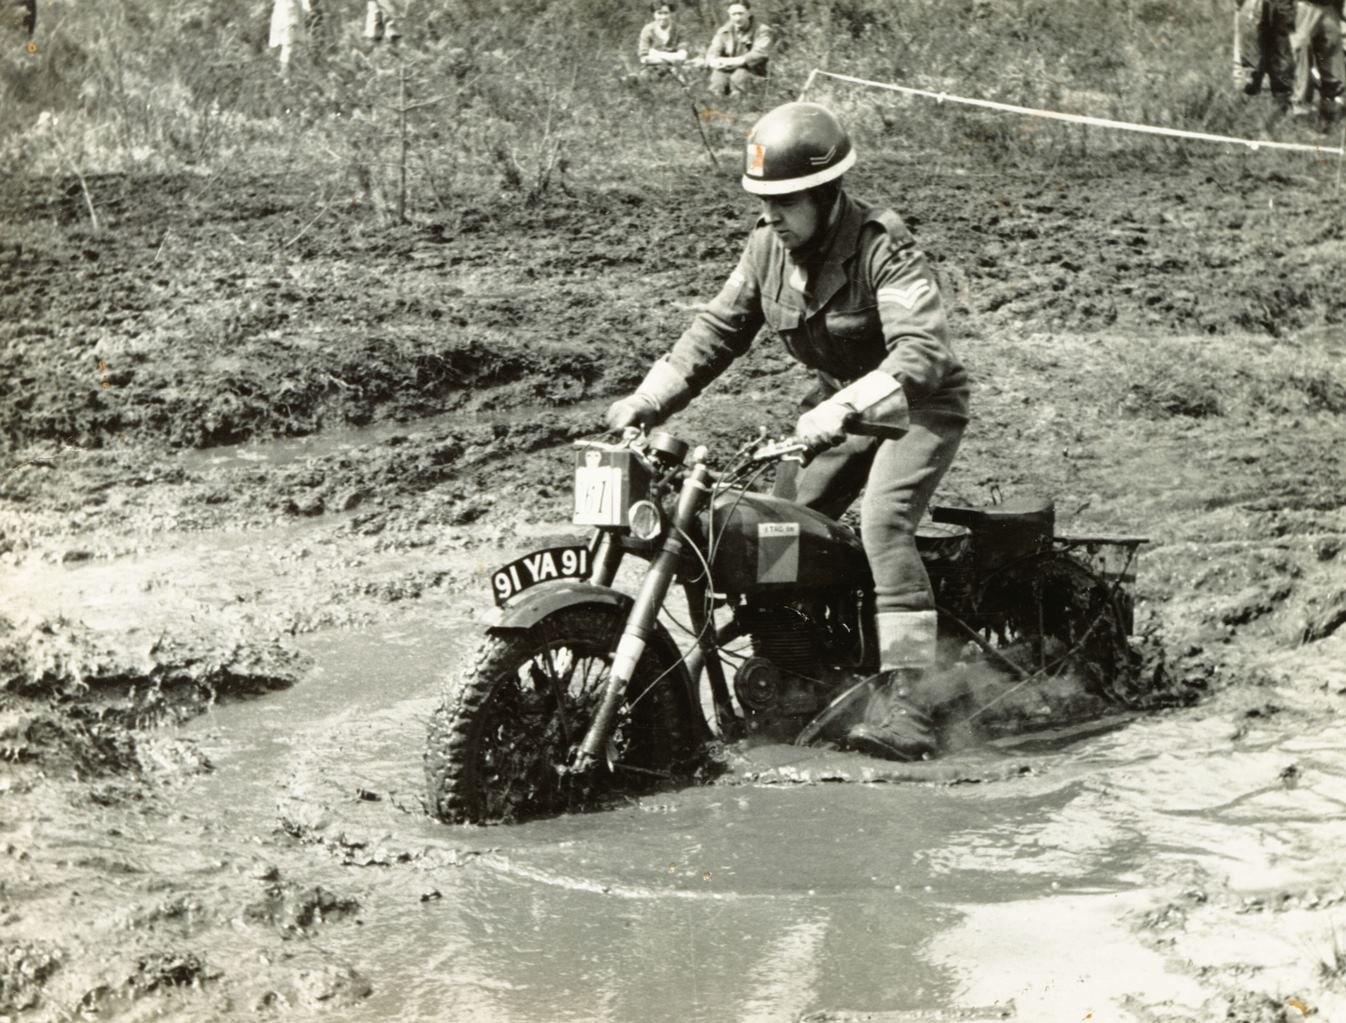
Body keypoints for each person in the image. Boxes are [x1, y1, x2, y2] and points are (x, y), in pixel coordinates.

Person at [606, 103, 970, 762]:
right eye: (762, 201)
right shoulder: (764, 248)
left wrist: (845, 407)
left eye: (784, 201)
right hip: (833, 410)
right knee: (785, 531)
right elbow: (717, 330)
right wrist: (648, 399)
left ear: (826, 195)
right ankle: (802, 677)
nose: (770, 214)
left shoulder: (884, 247)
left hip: (915, 409)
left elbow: (922, 354)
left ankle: (915, 697)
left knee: (883, 525)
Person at [1237, 0, 1297, 111]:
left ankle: (1282, 104)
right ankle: (1248, 102)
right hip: (1254, 5)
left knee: (1282, 53)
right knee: (1253, 54)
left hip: (1282, 6)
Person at [1290, 0, 1344, 120]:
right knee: (1301, 54)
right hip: (1304, 5)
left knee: (1332, 53)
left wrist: (1338, 9)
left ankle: (1331, 104)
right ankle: (1301, 109)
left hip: (1329, 7)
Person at [706, 1, 771, 97]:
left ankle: (742, 106)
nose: (737, 18)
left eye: (741, 13)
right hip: (729, 69)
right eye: (734, 14)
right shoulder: (724, 31)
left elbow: (760, 54)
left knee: (740, 77)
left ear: (748, 13)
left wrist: (733, 61)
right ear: (729, 15)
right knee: (717, 81)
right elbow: (713, 51)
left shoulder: (763, 30)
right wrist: (714, 61)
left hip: (754, 71)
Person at [638, 2, 690, 70]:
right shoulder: (647, 30)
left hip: (676, 68)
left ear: (670, 13)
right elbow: (644, 58)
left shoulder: (680, 30)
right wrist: (673, 57)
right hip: (652, 69)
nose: (663, 17)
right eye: (659, 13)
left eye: (666, 13)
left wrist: (656, 54)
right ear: (654, 14)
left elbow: (682, 56)